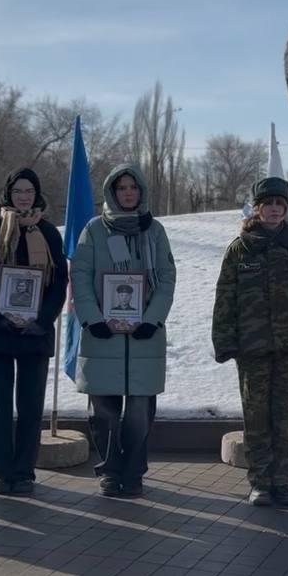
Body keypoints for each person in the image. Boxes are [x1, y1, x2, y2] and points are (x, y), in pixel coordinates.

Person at [213, 177, 288, 508]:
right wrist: (224, 341)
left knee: (284, 415)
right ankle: (260, 482)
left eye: (281, 204)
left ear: (287, 209)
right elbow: (225, 297)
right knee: (256, 415)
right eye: (268, 204)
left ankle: (282, 481)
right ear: (257, 208)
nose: (275, 210)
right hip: (253, 348)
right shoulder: (241, 249)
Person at [70, 164, 176, 498]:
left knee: (139, 415)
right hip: (104, 336)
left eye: (133, 187)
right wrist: (93, 319)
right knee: (104, 413)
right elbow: (81, 278)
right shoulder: (94, 230)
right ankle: (110, 470)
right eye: (121, 188)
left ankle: (133, 472)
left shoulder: (155, 232)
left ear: (141, 191)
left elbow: (166, 278)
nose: (128, 193)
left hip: (144, 338)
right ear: (112, 193)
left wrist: (151, 319)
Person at [0, 168, 68, 497]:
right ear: (8, 194)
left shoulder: (50, 233)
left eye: (29, 191)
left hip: (33, 332)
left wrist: (41, 318)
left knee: (30, 405)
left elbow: (58, 283)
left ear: (36, 195)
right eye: (18, 191)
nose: (23, 196)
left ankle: (24, 471)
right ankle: (1, 470)